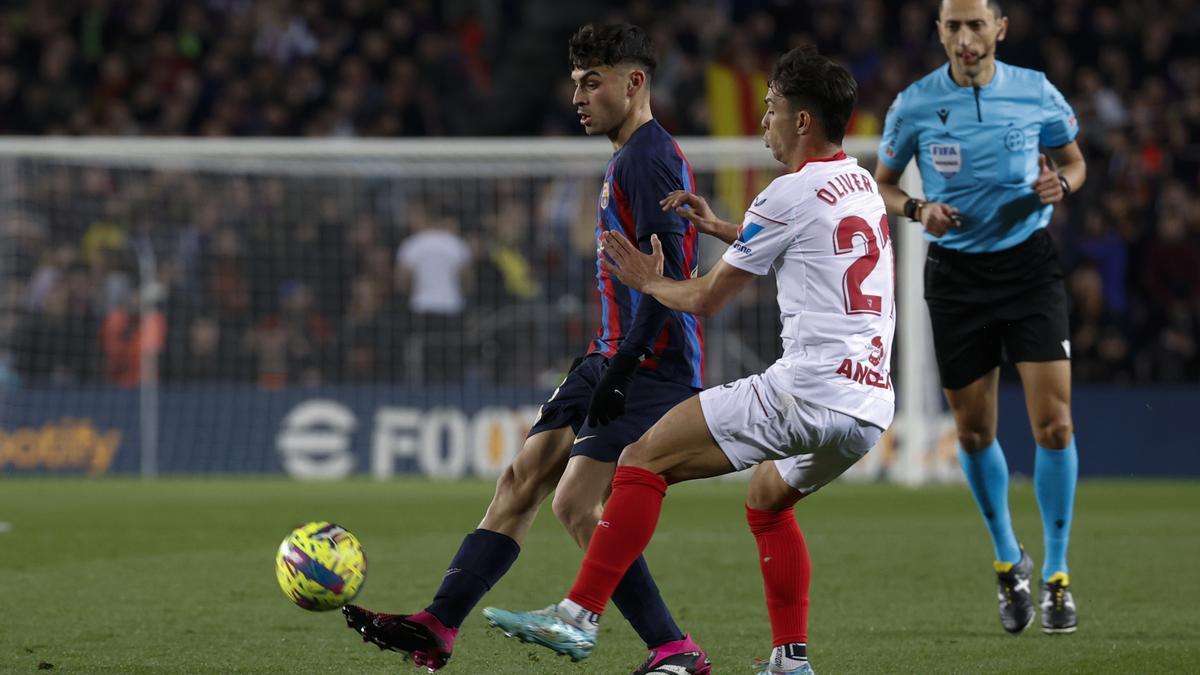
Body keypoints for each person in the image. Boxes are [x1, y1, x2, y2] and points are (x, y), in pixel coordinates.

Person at [483, 46, 893, 675]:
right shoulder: (859, 180)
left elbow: (702, 299)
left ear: (803, 121)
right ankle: (792, 663)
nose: (764, 124)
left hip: (806, 389)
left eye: (772, 110)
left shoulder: (784, 192)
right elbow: (815, 242)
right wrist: (727, 229)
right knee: (766, 497)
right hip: (867, 408)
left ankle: (578, 615)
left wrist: (649, 282)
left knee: (640, 458)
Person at [342, 23, 712, 675]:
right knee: (518, 482)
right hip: (606, 353)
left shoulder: (651, 157)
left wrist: (623, 371)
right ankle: (438, 624)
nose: (577, 96)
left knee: (573, 504)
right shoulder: (626, 155)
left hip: (648, 363)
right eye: (574, 83)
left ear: (634, 83)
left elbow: (669, 280)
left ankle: (673, 647)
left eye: (591, 82)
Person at [873, 0, 1086, 635]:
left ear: (1000, 29)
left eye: (975, 25)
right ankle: (1006, 561)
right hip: (957, 277)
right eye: (953, 27)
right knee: (972, 432)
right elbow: (881, 183)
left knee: (1054, 425)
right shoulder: (913, 104)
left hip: (1028, 269)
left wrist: (1063, 186)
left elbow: (1074, 161)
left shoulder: (1036, 92)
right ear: (939, 33)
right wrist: (916, 210)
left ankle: (1056, 575)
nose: (965, 38)